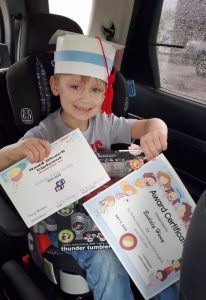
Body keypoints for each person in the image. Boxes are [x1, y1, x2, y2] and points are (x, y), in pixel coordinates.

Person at [0, 33, 178, 300]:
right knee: (107, 263)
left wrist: (156, 132)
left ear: (105, 92)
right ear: (55, 85)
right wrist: (17, 150)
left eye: (95, 89)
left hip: (115, 217)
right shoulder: (43, 133)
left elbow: (151, 123)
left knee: (161, 253)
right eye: (75, 87)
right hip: (68, 228)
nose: (85, 99)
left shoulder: (107, 124)